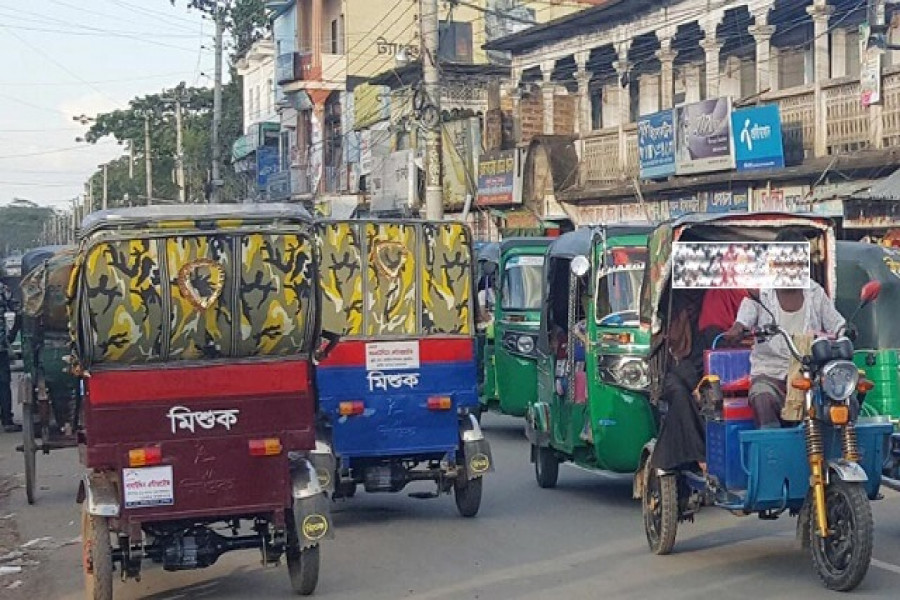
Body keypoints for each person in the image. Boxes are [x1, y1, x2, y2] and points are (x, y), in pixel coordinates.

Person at [723, 230, 845, 428]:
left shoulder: (815, 293)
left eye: (798, 261)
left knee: (842, 399)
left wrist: (845, 331)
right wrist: (737, 330)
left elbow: (837, 324)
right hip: (770, 374)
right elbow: (743, 320)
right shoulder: (761, 294)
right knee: (762, 397)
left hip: (809, 375)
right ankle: (771, 451)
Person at [0, 282, 21, 433]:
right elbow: (18, 310)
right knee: (3, 383)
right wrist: (11, 336)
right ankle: (7, 420)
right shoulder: (2, 289)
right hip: (0, 347)